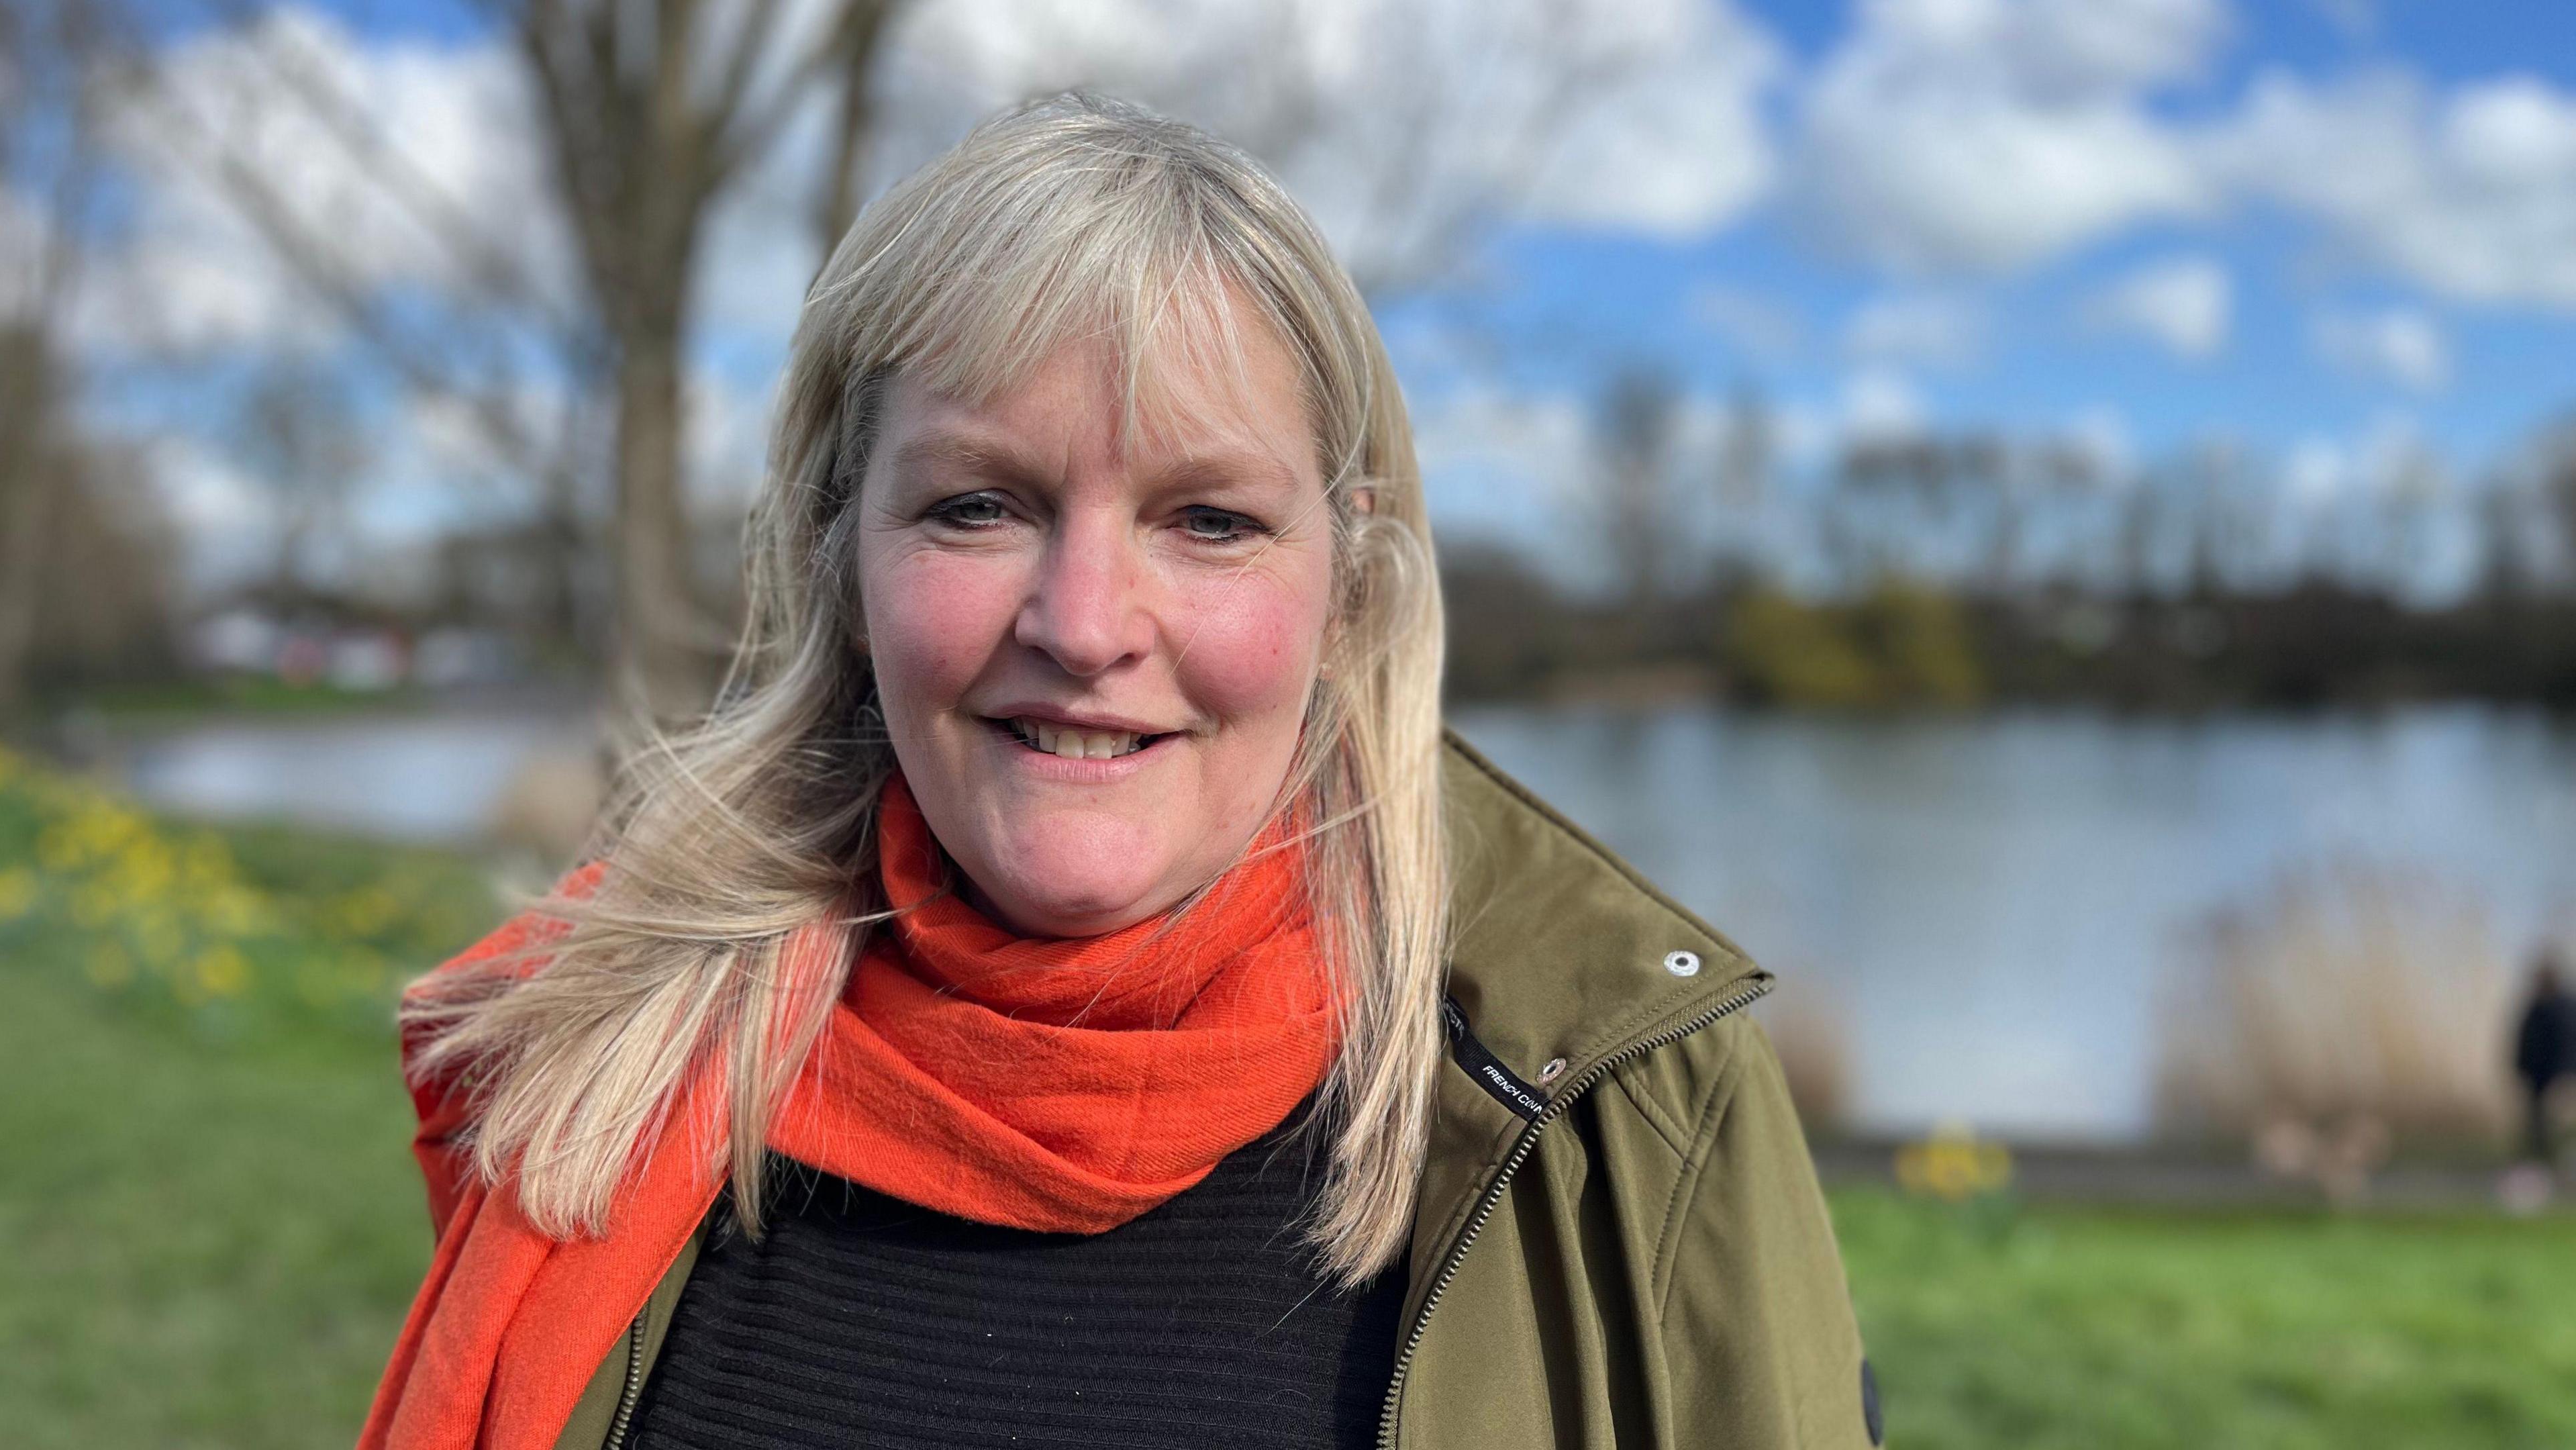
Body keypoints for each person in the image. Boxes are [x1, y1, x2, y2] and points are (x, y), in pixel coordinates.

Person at [360, 94, 1875, 1450]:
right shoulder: (609, 1059)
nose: (1083, 624)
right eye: (975, 505)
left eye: (1206, 519)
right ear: (844, 559)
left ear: (1343, 582)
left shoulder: (1635, 1114)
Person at [2514, 949, 2573, 1167]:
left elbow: (2567, 1043)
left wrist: (2566, 1074)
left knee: (2562, 1124)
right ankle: (2544, 1165)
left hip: (2560, 1078)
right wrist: (2522, 1069)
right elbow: (2525, 1043)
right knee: (2540, 1127)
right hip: (2537, 1079)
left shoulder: (2566, 1007)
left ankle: (2562, 1168)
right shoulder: (2535, 1007)